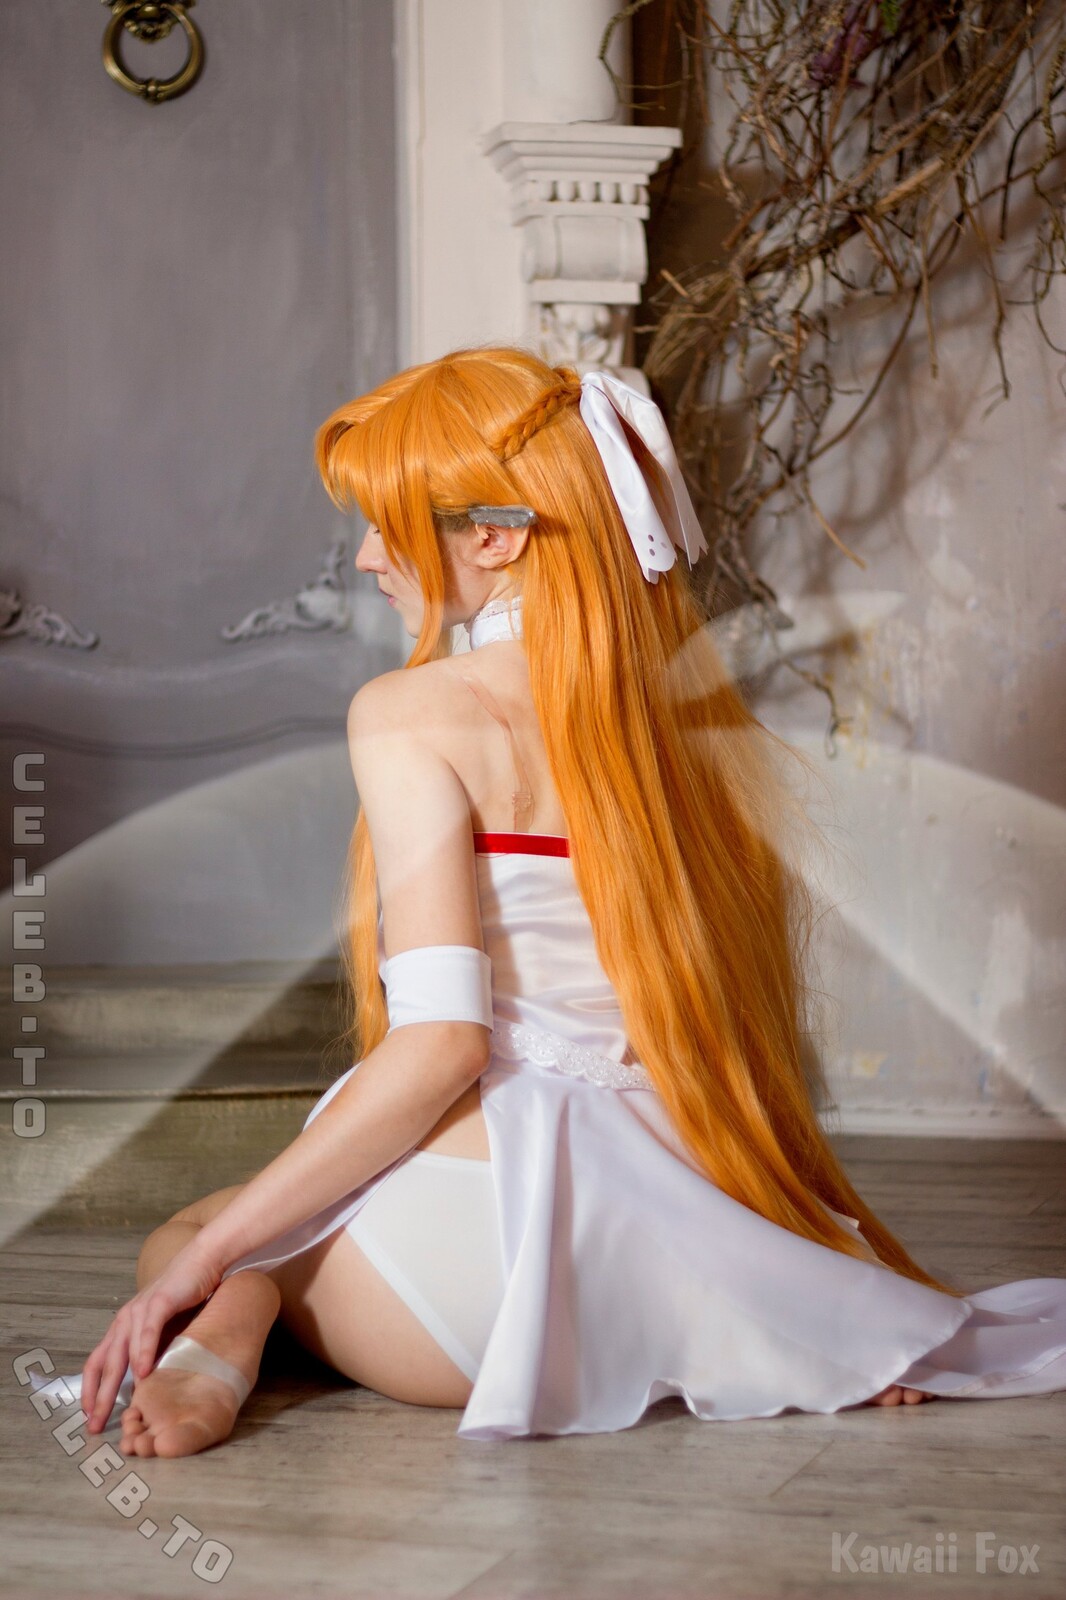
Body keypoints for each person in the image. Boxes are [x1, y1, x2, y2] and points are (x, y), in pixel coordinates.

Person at [69, 347, 1066, 1457]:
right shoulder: (685, 721)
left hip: (472, 1285)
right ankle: (769, 1326)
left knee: (200, 1237)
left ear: (496, 538)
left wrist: (211, 1265)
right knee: (255, 1224)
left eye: (389, 522)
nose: (366, 556)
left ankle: (224, 1334)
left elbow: (444, 1046)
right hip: (693, 1216)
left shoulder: (412, 710)